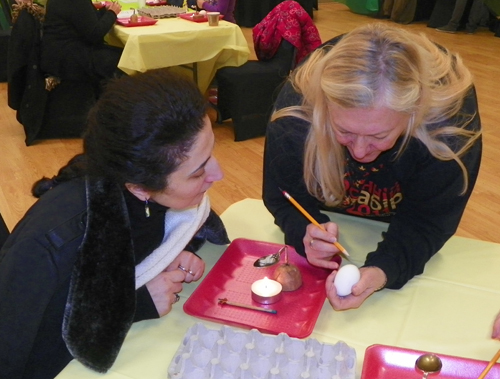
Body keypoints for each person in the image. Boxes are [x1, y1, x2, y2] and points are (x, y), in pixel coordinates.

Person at [0, 69, 229, 379]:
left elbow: (147, 240)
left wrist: (173, 251)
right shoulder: (54, 246)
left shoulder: (147, 193)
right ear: (139, 187)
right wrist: (135, 305)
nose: (218, 174)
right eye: (198, 172)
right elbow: (23, 359)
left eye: (210, 153)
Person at [263, 23, 482, 311]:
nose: (360, 151)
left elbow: (429, 220)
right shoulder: (295, 113)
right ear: (323, 110)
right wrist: (303, 230)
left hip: (404, 229)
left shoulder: (450, 126)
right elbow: (283, 196)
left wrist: (382, 271)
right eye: (345, 132)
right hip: (337, 223)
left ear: (414, 115)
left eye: (379, 136)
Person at [41, 0, 123, 84]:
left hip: (57, 53)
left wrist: (104, 11)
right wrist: (112, 13)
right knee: (125, 61)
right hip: (68, 57)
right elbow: (95, 34)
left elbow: (86, 22)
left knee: (121, 56)